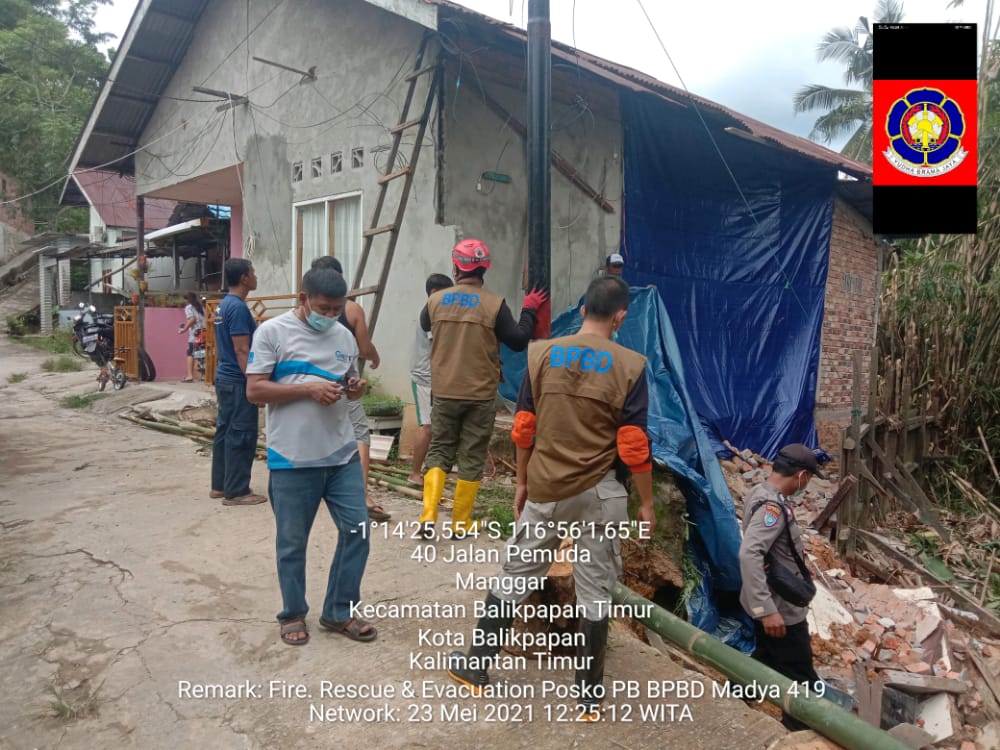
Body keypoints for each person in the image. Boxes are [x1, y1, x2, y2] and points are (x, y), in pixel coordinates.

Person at [447, 276, 656, 721]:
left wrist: (522, 482)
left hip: (545, 486)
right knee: (596, 590)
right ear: (620, 316)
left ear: (581, 310)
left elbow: (523, 426)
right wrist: (647, 503)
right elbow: (634, 443)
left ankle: (475, 668)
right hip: (601, 493)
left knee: (515, 576)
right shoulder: (632, 365)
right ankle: (587, 697)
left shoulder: (541, 353)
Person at [245, 266, 375, 646]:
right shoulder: (272, 332)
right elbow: (255, 391)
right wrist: (307, 390)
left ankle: (338, 611)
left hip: (341, 455)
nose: (331, 315)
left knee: (358, 530)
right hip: (292, 458)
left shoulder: (343, 336)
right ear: (303, 299)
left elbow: (348, 381)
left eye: (337, 309)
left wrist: (355, 388)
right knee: (292, 541)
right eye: (324, 307)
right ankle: (292, 613)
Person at [418, 238, 547, 538]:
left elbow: (426, 326)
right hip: (479, 394)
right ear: (484, 268)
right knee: (472, 456)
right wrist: (529, 311)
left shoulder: (435, 301)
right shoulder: (494, 304)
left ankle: (427, 516)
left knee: (439, 451)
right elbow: (517, 340)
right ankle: (460, 523)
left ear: (456, 267)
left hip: (445, 390)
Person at [738, 443, 826, 730]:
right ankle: (804, 732)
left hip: (773, 604)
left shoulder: (760, 492)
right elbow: (750, 554)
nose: (807, 485)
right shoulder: (772, 507)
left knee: (764, 661)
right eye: (809, 479)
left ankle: (730, 705)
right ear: (801, 475)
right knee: (803, 680)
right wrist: (766, 609)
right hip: (782, 611)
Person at [309, 256, 389, 522]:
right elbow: (364, 348)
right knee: (360, 435)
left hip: (309, 387)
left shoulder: (305, 309)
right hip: (343, 385)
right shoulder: (351, 308)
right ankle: (362, 495)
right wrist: (375, 357)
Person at [210, 259, 265, 506]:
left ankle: (220, 485)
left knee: (225, 432)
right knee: (241, 434)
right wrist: (253, 383)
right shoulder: (239, 308)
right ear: (244, 278)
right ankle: (237, 491)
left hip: (224, 376)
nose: (255, 276)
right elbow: (242, 349)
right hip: (237, 380)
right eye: (252, 272)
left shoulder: (223, 306)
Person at [408, 273, 454, 485]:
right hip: (425, 378)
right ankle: (414, 473)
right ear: (435, 293)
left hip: (440, 377)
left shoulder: (437, 310)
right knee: (427, 428)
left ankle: (433, 469)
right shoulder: (429, 313)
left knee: (439, 426)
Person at [177, 292, 206, 382]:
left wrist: (184, 329)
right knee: (201, 354)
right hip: (204, 333)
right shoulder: (201, 307)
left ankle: (189, 376)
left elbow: (192, 319)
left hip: (195, 334)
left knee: (190, 354)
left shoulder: (189, 307)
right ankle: (203, 376)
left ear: (187, 300)